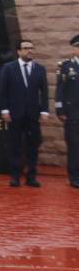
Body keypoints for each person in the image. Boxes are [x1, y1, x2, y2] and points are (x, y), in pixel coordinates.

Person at [0, 40, 49, 187]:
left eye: (31, 48)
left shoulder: (40, 69)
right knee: (14, 145)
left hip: (33, 114)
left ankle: (31, 176)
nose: (30, 51)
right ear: (19, 51)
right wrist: (4, 110)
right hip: (15, 113)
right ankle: (15, 176)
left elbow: (44, 92)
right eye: (26, 48)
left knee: (33, 145)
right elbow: (3, 91)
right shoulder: (9, 68)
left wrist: (44, 111)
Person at [54, 34, 79, 189]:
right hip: (72, 113)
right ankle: (74, 176)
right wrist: (60, 109)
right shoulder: (65, 66)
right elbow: (60, 90)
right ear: (74, 49)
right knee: (74, 146)